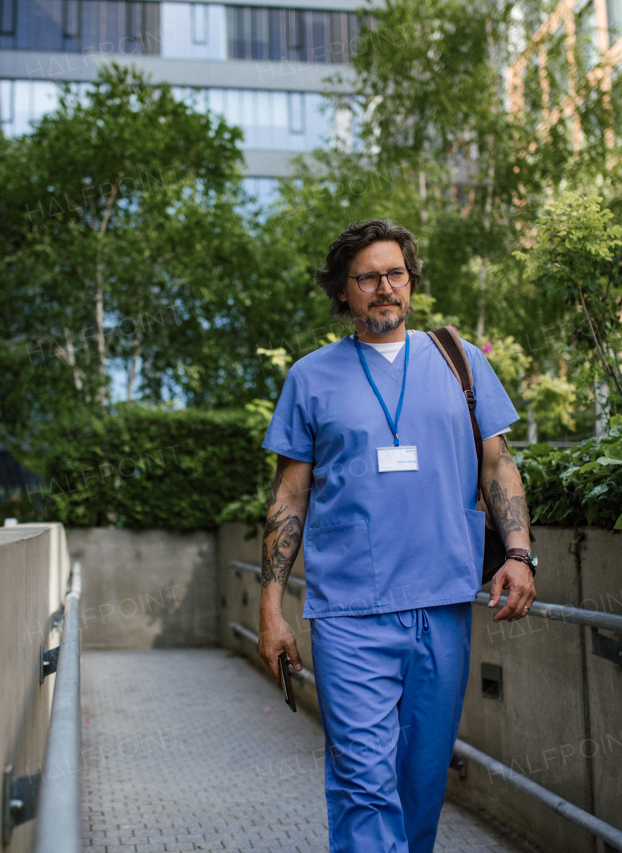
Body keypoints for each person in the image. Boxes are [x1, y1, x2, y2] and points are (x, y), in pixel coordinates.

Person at [257, 219, 536, 853]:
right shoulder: (310, 378)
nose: (384, 287)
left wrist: (519, 553)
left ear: (409, 282)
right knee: (363, 784)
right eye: (367, 277)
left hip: (443, 606)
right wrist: (271, 608)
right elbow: (289, 497)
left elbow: (498, 465)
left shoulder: (458, 362)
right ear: (343, 291)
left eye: (395, 274)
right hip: (350, 616)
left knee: (419, 782)